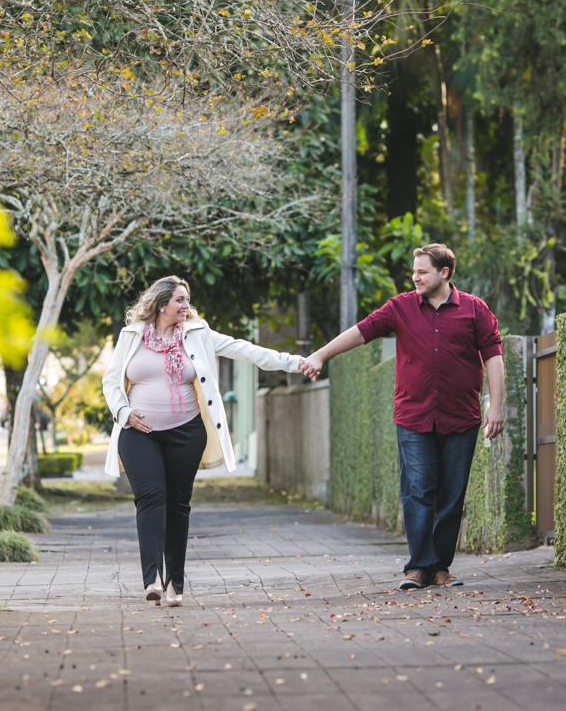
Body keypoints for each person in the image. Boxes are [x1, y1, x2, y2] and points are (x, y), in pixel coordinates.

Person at [300, 244, 504, 590]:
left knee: (451, 498)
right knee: (418, 493)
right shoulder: (400, 307)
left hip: (462, 418)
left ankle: (441, 569)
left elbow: (494, 356)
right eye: (414, 271)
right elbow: (361, 331)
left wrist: (496, 406)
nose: (415, 277)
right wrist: (320, 355)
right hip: (414, 417)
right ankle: (419, 568)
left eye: (422, 271)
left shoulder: (474, 309)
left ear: (444, 273)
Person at [103, 276, 303, 607]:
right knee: (151, 498)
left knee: (178, 505)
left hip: (186, 431)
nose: (186, 306)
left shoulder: (198, 334)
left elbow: (245, 349)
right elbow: (111, 381)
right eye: (180, 300)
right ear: (161, 303)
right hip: (138, 432)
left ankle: (174, 585)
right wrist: (123, 412)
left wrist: (294, 363)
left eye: (187, 300)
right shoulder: (131, 336)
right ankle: (152, 577)